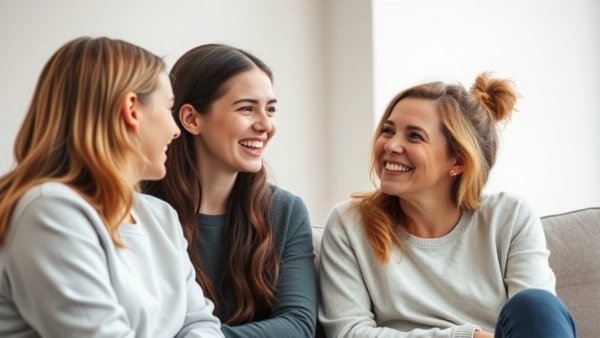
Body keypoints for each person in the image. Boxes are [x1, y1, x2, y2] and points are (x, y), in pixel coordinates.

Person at [318, 73, 577, 338]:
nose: (392, 145)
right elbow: (347, 332)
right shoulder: (349, 224)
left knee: (537, 305)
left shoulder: (509, 217)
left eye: (415, 136)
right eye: (388, 130)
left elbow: (536, 322)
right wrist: (469, 337)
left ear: (458, 161)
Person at [0, 37, 223, 338]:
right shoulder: (48, 211)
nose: (175, 131)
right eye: (169, 109)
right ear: (132, 109)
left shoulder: (160, 217)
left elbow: (200, 324)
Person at [142, 44, 317, 338]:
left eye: (270, 109)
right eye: (247, 108)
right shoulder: (140, 210)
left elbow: (298, 325)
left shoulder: (285, 211)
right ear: (191, 119)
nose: (266, 125)